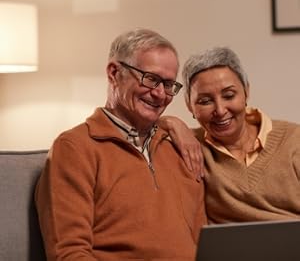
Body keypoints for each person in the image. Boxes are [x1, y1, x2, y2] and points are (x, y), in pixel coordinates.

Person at [35, 28, 206, 260]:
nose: (159, 94)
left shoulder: (180, 147)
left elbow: (205, 245)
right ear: (114, 73)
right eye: (151, 79)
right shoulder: (74, 148)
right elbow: (69, 253)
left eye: (168, 84)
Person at [160, 46, 300, 224]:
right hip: (229, 251)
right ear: (189, 106)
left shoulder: (294, 140)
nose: (220, 110)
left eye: (228, 95)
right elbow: (133, 127)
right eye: (205, 101)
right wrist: (170, 122)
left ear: (246, 92)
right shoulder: (190, 147)